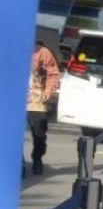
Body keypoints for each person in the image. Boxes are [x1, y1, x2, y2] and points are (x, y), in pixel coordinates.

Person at [25, 41, 60, 175]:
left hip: (36, 100)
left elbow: (53, 74)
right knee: (12, 134)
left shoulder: (42, 52)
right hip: (14, 99)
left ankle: (37, 158)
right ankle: (18, 163)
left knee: (39, 134)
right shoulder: (10, 47)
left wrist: (48, 91)